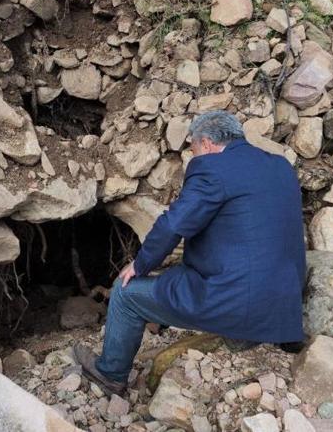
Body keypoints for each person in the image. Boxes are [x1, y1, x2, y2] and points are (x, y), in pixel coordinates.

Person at [73, 110, 306, 395]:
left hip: (236, 301)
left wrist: (141, 264)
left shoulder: (213, 168)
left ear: (206, 143)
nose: (192, 155)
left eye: (193, 148)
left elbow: (175, 224)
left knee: (125, 293)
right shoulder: (280, 166)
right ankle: (273, 333)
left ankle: (110, 374)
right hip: (285, 306)